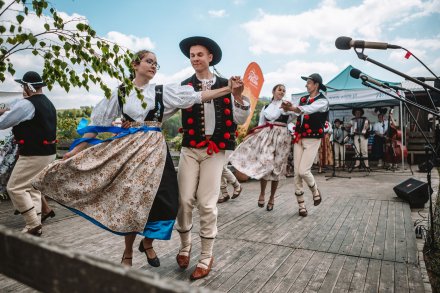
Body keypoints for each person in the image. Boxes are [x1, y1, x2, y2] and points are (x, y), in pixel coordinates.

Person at [32, 49, 242, 267]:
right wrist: (77, 149)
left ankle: (148, 243)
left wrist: (228, 88)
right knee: (131, 202)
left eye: (156, 64)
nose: (153, 66)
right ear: (135, 64)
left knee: (170, 203)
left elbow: (198, 96)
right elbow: (97, 123)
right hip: (131, 152)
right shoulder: (121, 93)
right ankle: (128, 253)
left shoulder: (160, 91)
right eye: (149, 61)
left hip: (156, 153)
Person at [175, 36, 250, 280]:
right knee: (184, 200)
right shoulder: (184, 86)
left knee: (206, 203)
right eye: (192, 55)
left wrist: (237, 96)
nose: (195, 58)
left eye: (199, 54)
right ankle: (185, 246)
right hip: (190, 148)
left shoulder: (227, 84)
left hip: (216, 150)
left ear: (210, 57)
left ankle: (206, 256)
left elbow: (239, 120)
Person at [0, 71, 57, 236]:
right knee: (32, 188)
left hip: (34, 153)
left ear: (28, 86)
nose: (22, 89)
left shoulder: (27, 104)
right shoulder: (48, 103)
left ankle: (33, 224)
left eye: (23, 85)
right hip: (48, 152)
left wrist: (2, 114)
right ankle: (35, 224)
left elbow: (3, 124)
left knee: (14, 187)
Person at [229, 84, 293, 211]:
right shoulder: (266, 107)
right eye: (279, 89)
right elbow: (261, 124)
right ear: (273, 91)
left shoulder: (287, 106)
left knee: (277, 169)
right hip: (267, 136)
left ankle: (272, 198)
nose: (282, 91)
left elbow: (291, 120)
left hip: (282, 138)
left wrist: (290, 111)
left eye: (284, 90)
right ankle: (262, 193)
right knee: (265, 164)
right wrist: (250, 136)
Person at [281, 73, 329, 217]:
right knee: (297, 173)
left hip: (313, 139)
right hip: (299, 138)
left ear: (316, 85)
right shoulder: (303, 99)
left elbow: (308, 109)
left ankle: (315, 191)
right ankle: (301, 205)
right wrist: (286, 110)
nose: (306, 85)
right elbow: (295, 115)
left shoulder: (323, 101)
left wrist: (293, 108)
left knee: (303, 171)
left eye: (308, 82)